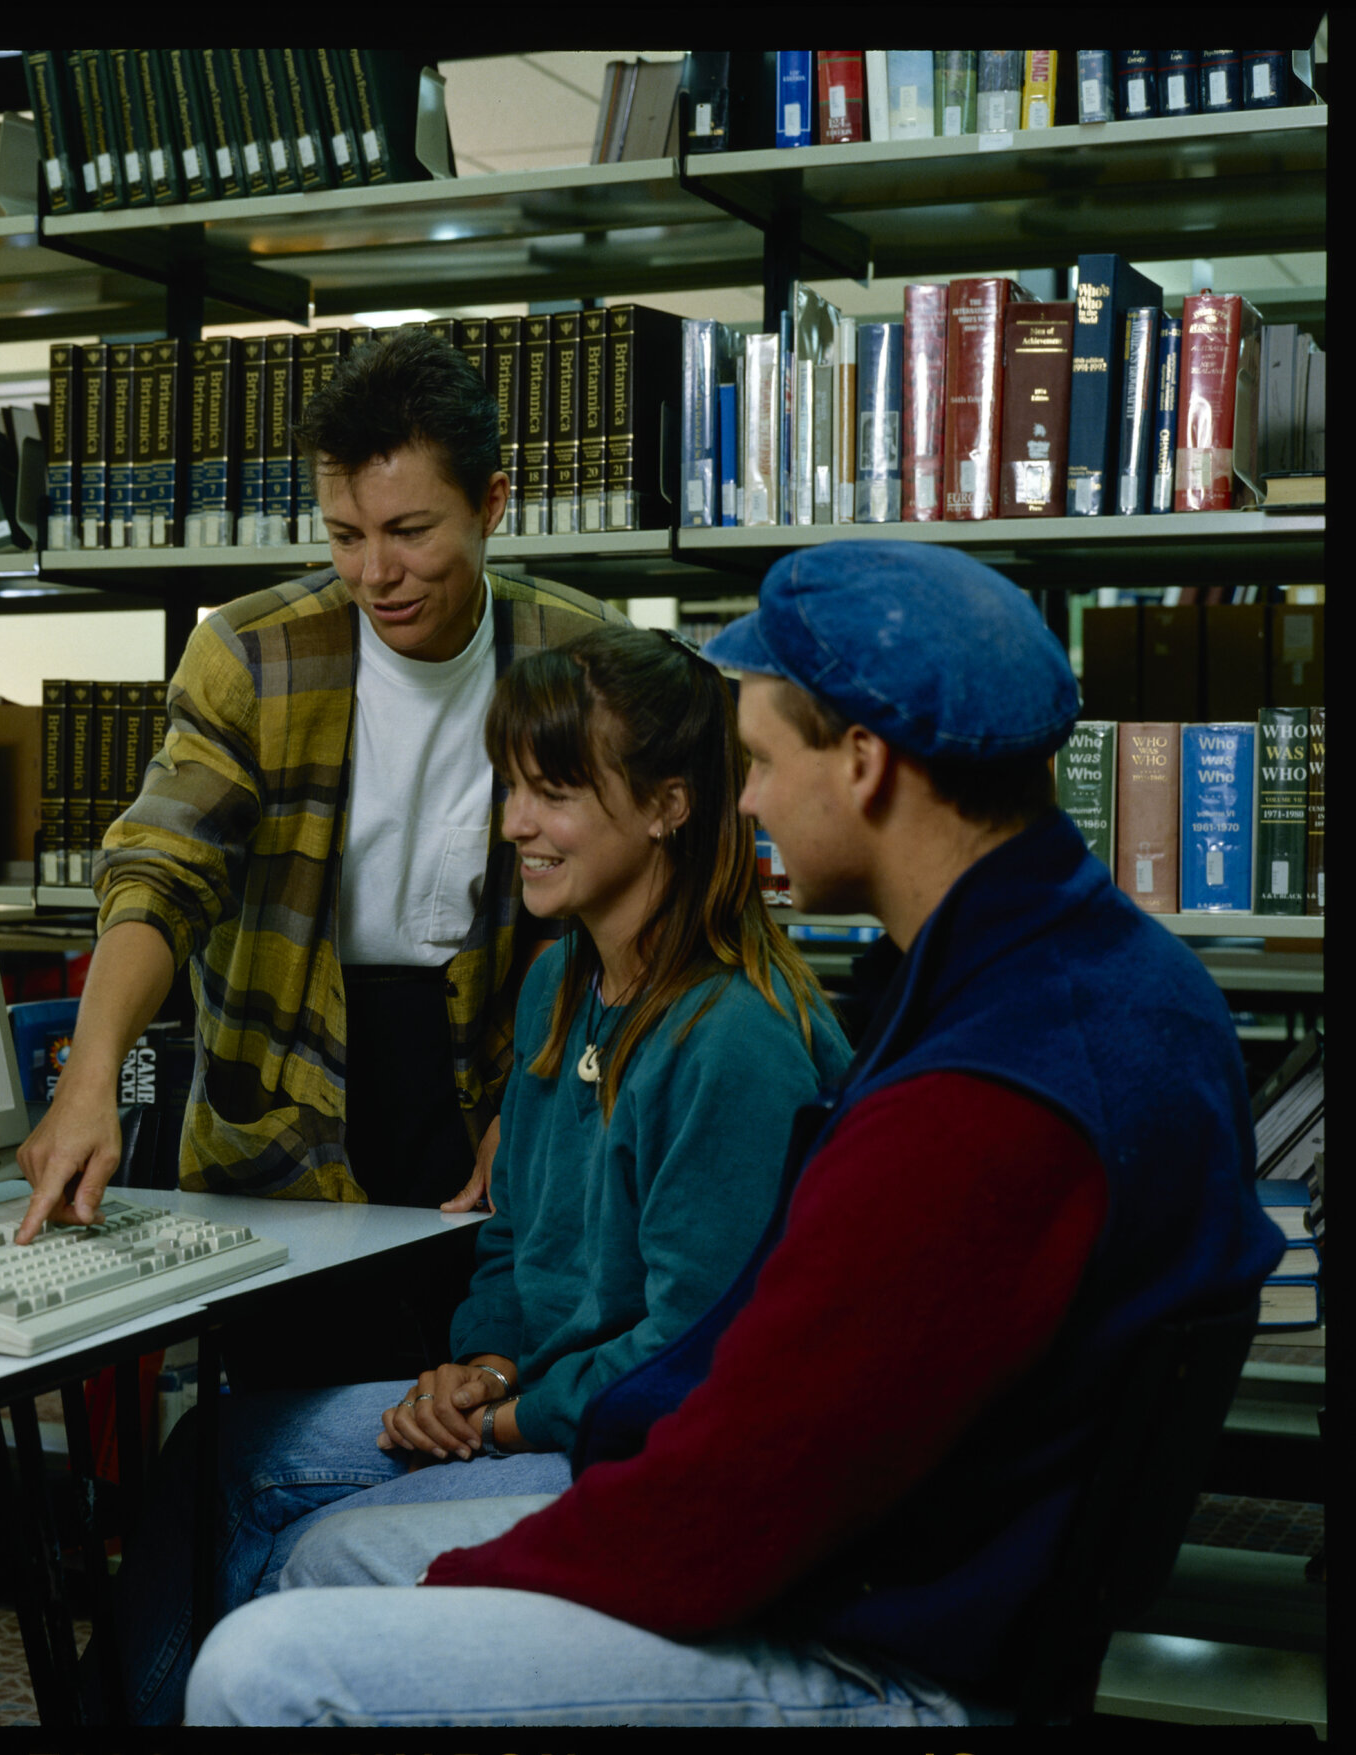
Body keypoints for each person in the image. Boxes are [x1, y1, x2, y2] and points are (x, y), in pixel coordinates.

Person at [182, 541, 1287, 1729]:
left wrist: (461, 1593)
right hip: (934, 1573)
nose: (744, 798)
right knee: (328, 1565)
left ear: (860, 764)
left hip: (890, 1643)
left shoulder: (978, 1100)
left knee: (273, 1664)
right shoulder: (1118, 982)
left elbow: (740, 1495)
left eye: (760, 760)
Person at [94, 622, 850, 1724]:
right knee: (216, 1446)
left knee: (312, 1546)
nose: (512, 828)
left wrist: (503, 1416)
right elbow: (513, 1236)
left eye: (552, 795)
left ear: (667, 805)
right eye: (508, 790)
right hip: (540, 1395)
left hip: (631, 1446)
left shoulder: (730, 1039)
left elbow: (690, 1358)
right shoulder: (562, 984)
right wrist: (483, 1361)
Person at [14, 329, 624, 1371]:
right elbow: (162, 869)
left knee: (468, 1402)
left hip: (488, 1079)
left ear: (491, 506)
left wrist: (533, 1102)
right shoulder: (252, 652)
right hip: (283, 1106)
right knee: (271, 1426)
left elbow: (622, 920)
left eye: (408, 532)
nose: (373, 574)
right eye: (344, 536)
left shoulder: (580, 656)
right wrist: (91, 1075)